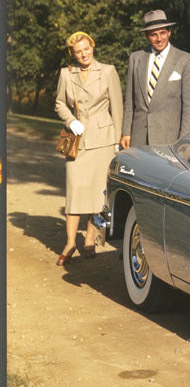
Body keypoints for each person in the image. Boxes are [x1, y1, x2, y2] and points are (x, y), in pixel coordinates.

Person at [54, 31, 123, 264]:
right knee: (74, 191)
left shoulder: (108, 71)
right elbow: (59, 103)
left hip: (103, 140)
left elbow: (117, 106)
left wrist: (116, 139)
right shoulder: (66, 73)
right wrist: (70, 120)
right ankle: (70, 242)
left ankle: (90, 240)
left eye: (86, 48)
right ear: (72, 53)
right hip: (78, 139)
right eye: (78, 51)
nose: (83, 54)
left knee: (98, 194)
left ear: (93, 47)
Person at [120, 10, 190, 148]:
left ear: (169, 32)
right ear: (146, 36)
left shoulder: (185, 60)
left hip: (170, 139)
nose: (159, 39)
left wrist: (184, 141)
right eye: (153, 34)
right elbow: (130, 100)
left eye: (162, 33)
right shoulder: (136, 58)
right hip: (139, 138)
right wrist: (126, 132)